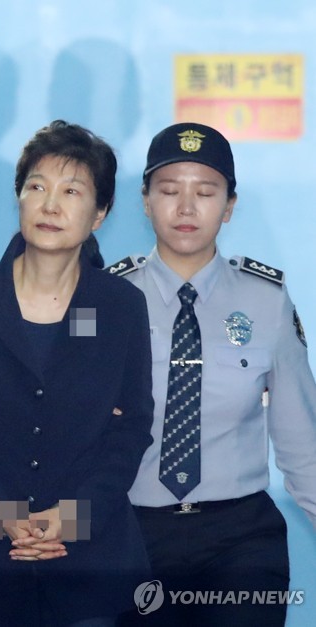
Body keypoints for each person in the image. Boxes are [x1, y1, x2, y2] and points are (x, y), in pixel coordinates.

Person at [0, 120, 154, 627]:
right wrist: (3, 515)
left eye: (71, 191)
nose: (50, 205)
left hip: (85, 554)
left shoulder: (119, 305)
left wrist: (74, 518)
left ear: (99, 213)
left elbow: (131, 429)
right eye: (37, 187)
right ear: (18, 197)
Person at [107, 122, 316, 626]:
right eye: (168, 191)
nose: (186, 208)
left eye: (204, 193)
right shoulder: (104, 299)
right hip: (131, 533)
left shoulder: (265, 300)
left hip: (241, 538)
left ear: (228, 206)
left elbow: (302, 443)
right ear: (145, 201)